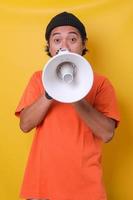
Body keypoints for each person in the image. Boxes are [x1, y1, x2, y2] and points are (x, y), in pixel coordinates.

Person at [15, 12, 120, 200]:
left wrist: (75, 94)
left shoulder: (101, 83)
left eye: (72, 38)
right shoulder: (38, 79)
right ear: (50, 46)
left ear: (83, 44)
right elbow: (25, 125)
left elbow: (107, 133)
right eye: (57, 40)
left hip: (87, 190)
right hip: (41, 188)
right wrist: (50, 91)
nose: (64, 46)